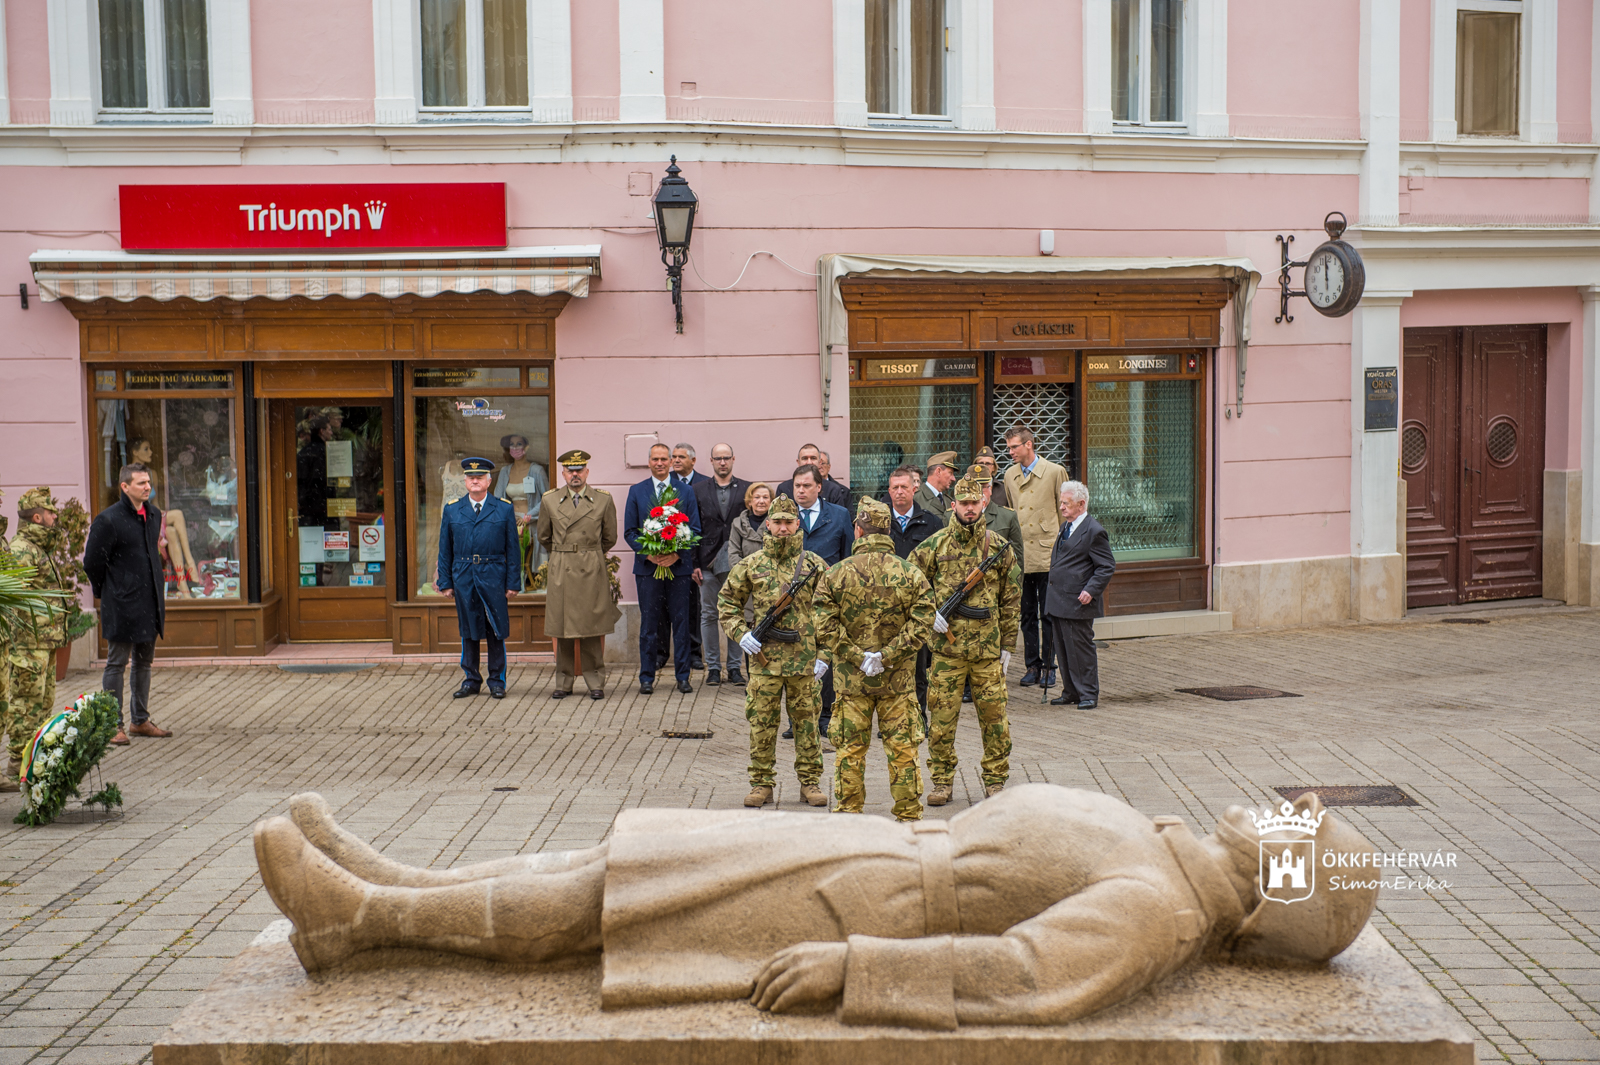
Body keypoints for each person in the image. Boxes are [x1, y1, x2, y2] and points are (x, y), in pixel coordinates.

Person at [256, 786, 1382, 1028]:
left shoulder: (1157, 908)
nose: (1278, 810)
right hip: (865, 848)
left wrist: (860, 969)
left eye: (1297, 832)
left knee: (613, 900)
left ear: (1277, 891)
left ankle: (365, 921)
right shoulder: (1166, 851)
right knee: (621, 855)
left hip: (862, 898)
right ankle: (397, 881)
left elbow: (1029, 978)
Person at [813, 499, 936, 821]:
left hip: (851, 682)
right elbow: (923, 622)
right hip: (898, 682)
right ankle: (908, 819)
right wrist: (886, 656)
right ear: (888, 531)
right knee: (903, 751)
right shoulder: (910, 573)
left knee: (850, 751)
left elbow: (823, 625)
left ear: (858, 530)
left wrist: (858, 656)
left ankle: (850, 817)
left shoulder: (836, 574)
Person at [910, 472, 1021, 805]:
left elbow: (1012, 598)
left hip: (987, 651)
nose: (969, 508)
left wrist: (1008, 645)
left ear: (983, 502)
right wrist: (930, 614)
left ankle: (995, 781)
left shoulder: (998, 547)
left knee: (995, 721)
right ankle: (942, 782)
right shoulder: (934, 545)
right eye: (964, 503)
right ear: (953, 505)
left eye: (975, 502)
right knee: (941, 723)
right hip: (948, 651)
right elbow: (911, 586)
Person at [716, 495, 829, 809]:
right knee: (762, 724)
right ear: (767, 524)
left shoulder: (815, 565)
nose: (782, 528)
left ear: (797, 524)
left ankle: (810, 783)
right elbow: (726, 603)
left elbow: (832, 613)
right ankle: (761, 784)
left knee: (807, 724)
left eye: (788, 522)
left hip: (805, 662)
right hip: (764, 663)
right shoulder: (751, 564)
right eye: (777, 522)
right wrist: (741, 633)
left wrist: (825, 655)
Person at [84, 462, 170, 745]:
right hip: (121, 602)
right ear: (125, 486)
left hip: (150, 601)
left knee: (144, 662)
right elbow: (92, 562)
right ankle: (113, 725)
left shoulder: (154, 515)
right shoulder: (108, 520)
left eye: (148, 482)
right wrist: (108, 591)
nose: (147, 487)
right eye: (141, 483)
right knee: (117, 663)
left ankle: (140, 720)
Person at [435, 457, 522, 700]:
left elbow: (513, 550)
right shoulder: (452, 509)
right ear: (465, 481)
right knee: (469, 631)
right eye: (471, 477)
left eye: (480, 477)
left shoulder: (503, 508)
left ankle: (497, 681)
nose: (475, 481)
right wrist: (445, 582)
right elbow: (445, 550)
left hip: (494, 575)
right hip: (464, 576)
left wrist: (513, 582)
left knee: (496, 629)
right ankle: (471, 680)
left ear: (489, 481)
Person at [536, 451, 620, 700]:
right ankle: (563, 682)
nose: (575, 474)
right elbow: (544, 536)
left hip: (591, 567)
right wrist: (564, 553)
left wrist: (588, 554)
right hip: (562, 567)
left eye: (579, 470)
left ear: (587, 472)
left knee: (591, 626)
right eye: (570, 470)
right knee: (562, 628)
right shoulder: (550, 500)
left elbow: (610, 537)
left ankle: (595, 682)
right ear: (563, 474)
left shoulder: (603, 500)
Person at [623, 443, 702, 695]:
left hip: (679, 570)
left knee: (681, 623)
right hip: (648, 570)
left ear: (670, 462)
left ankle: (683, 676)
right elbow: (630, 532)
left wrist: (675, 554)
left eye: (664, 459)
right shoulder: (637, 491)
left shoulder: (685, 491)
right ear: (649, 462)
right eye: (655, 459)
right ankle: (646, 677)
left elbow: (694, 529)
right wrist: (650, 554)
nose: (659, 463)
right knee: (649, 625)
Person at [6, 489, 74, 778]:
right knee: (26, 704)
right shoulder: (22, 549)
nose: (54, 517)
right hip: (28, 644)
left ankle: (33, 760)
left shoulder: (38, 547)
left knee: (43, 704)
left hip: (43, 640)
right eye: (50, 512)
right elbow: (14, 597)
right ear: (37, 517)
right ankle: (17, 764)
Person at [787, 465, 852, 741]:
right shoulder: (786, 517)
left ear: (819, 487)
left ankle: (825, 716)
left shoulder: (838, 515)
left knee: (826, 658)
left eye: (806, 486)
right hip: (793, 601)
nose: (800, 491)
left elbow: (848, 556)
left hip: (829, 598)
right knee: (795, 659)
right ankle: (795, 719)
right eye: (797, 486)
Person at [1003, 426, 1068, 690]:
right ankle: (1032, 665)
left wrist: (1064, 549)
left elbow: (1064, 513)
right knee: (1027, 614)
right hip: (1022, 556)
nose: (1010, 452)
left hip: (1047, 553)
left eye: (1014, 447)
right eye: (1008, 447)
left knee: (1048, 614)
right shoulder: (1009, 475)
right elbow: (1012, 511)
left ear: (1028, 444)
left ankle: (1050, 667)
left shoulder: (1054, 472)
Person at [1046, 480, 1116, 710]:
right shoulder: (1065, 527)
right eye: (1061, 503)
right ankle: (1071, 691)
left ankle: (1088, 693)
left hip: (1078, 601)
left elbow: (1106, 566)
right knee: (1063, 649)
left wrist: (1090, 590)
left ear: (1081, 504)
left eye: (1066, 503)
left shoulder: (1094, 531)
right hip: (1059, 599)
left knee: (1081, 649)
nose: (1061, 507)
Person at [693, 444, 751, 687]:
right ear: (711, 461)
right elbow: (692, 527)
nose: (723, 462)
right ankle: (714, 668)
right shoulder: (697, 490)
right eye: (718, 458)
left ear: (733, 459)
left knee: (736, 614)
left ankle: (735, 668)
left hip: (737, 563)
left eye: (726, 458)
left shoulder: (747, 489)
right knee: (709, 615)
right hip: (706, 561)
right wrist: (694, 563)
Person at [883, 464, 939, 719]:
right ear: (889, 491)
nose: (899, 492)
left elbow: (939, 568)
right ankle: (891, 720)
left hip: (919, 607)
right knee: (888, 666)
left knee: (918, 668)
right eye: (895, 487)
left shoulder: (931, 522)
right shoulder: (879, 522)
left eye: (904, 487)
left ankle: (918, 718)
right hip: (886, 608)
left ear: (914, 488)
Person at [494, 433, 550, 574]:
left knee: (528, 558)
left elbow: (547, 498)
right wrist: (508, 517)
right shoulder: (505, 471)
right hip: (511, 521)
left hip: (531, 521)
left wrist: (527, 517)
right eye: (512, 445)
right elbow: (497, 498)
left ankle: (529, 580)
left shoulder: (537, 471)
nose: (515, 447)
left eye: (519, 444)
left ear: (526, 447)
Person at [775, 444, 849, 507]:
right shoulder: (784, 489)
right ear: (798, 462)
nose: (809, 462)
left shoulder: (833, 490)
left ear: (820, 462)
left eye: (813, 458)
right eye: (805, 458)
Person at [725, 483, 772, 572]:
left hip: (771, 575)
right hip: (745, 575)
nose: (761, 501)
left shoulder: (778, 522)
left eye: (765, 497)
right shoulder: (738, 523)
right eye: (757, 497)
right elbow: (733, 553)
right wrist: (746, 573)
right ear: (749, 502)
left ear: (771, 501)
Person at [913, 452, 959, 519]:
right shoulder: (916, 498)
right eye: (950, 473)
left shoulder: (948, 501)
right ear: (938, 471)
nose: (953, 479)